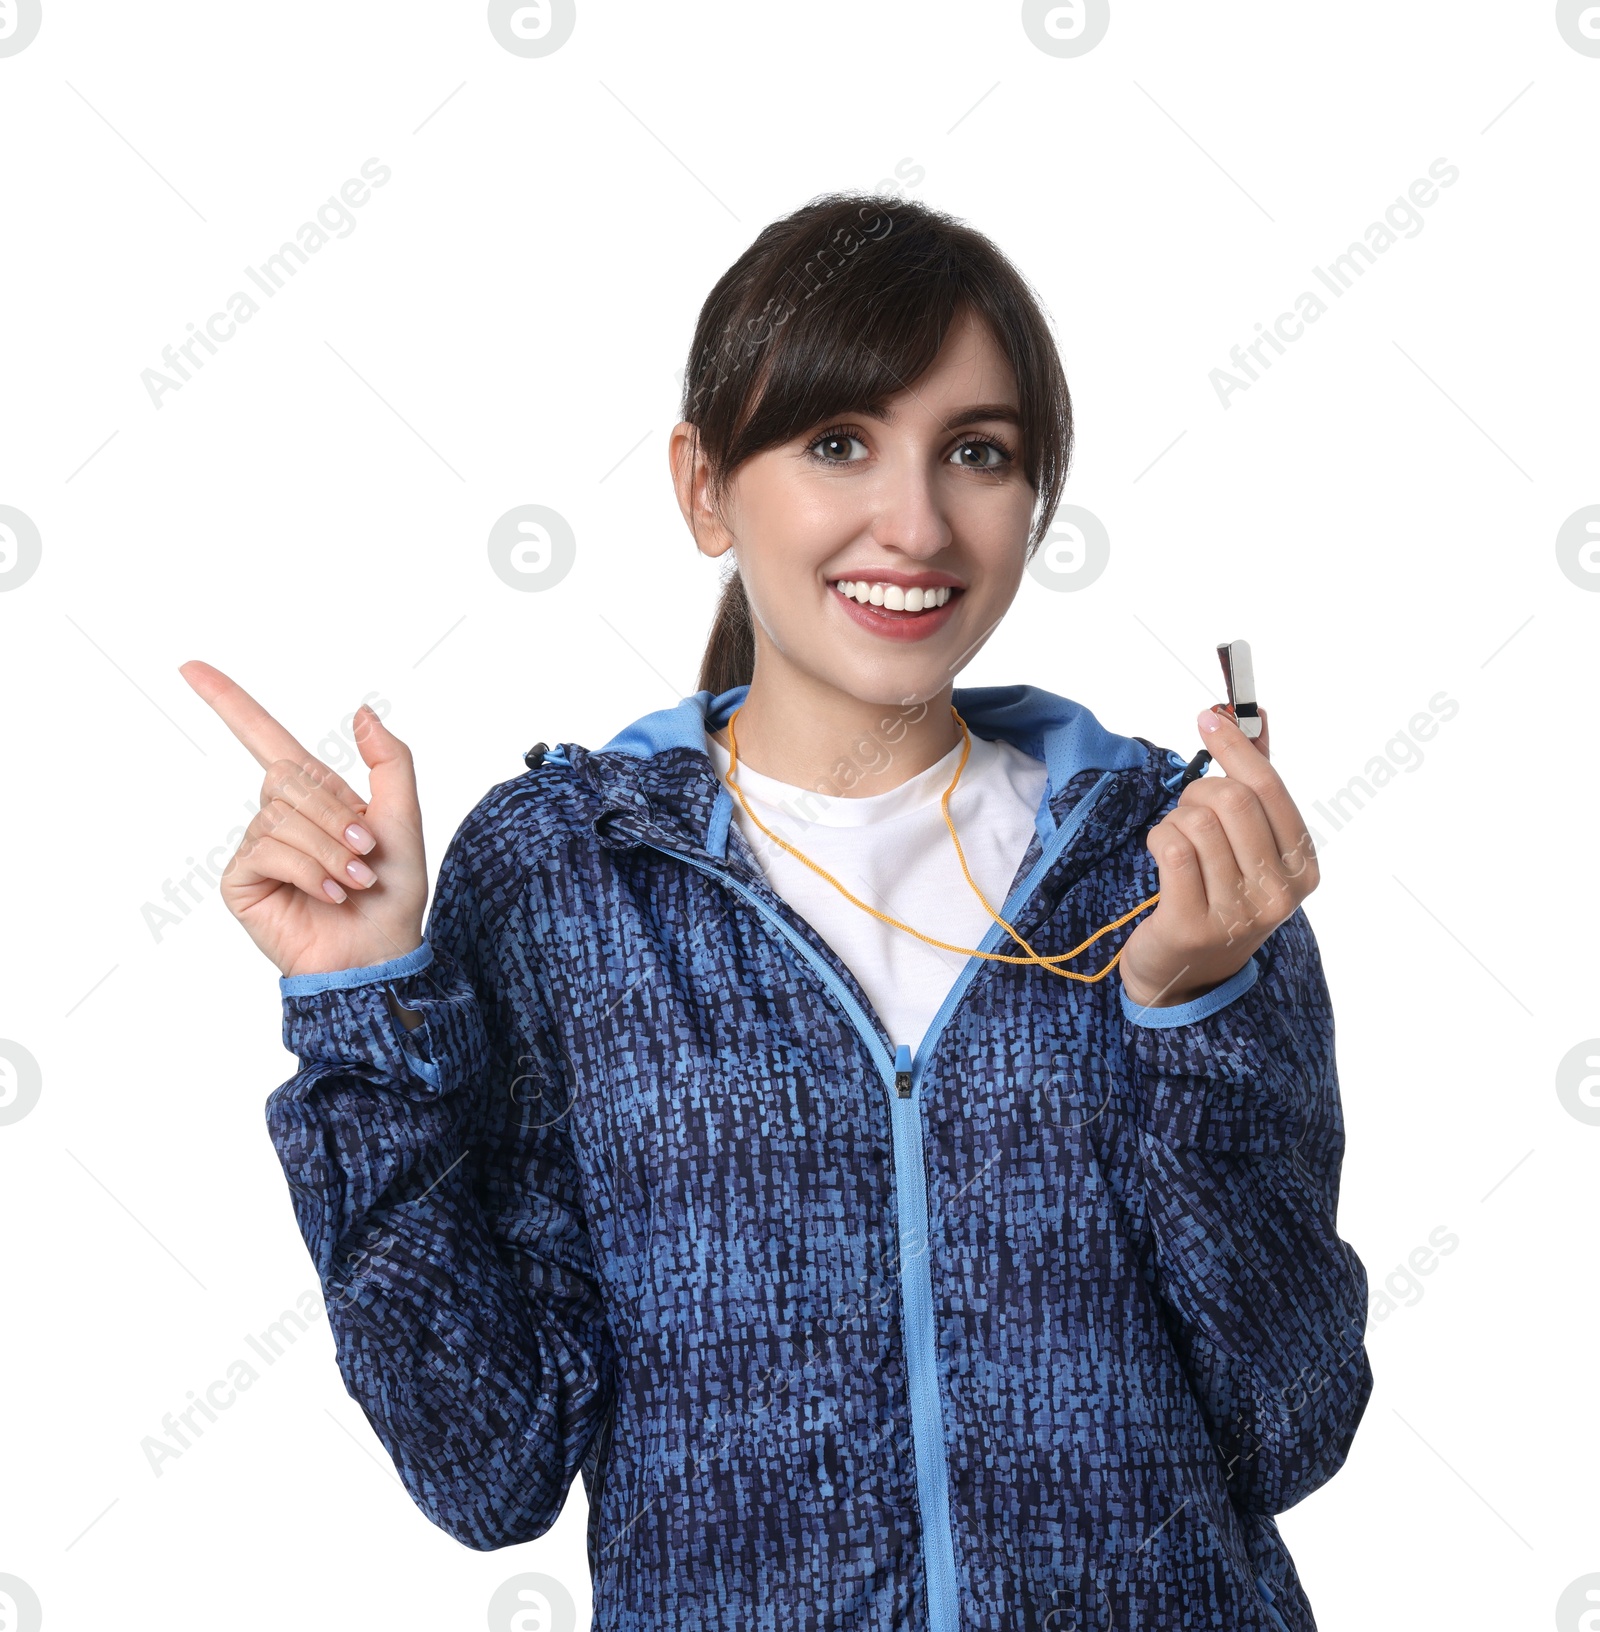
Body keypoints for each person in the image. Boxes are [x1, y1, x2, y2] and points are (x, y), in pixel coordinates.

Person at [180, 193, 1371, 1632]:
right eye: (837, 443)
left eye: (978, 453)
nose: (917, 522)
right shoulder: (569, 878)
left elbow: (1288, 1430)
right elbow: (484, 1464)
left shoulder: (1173, 865)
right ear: (701, 485)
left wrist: (1193, 1016)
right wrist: (366, 1018)